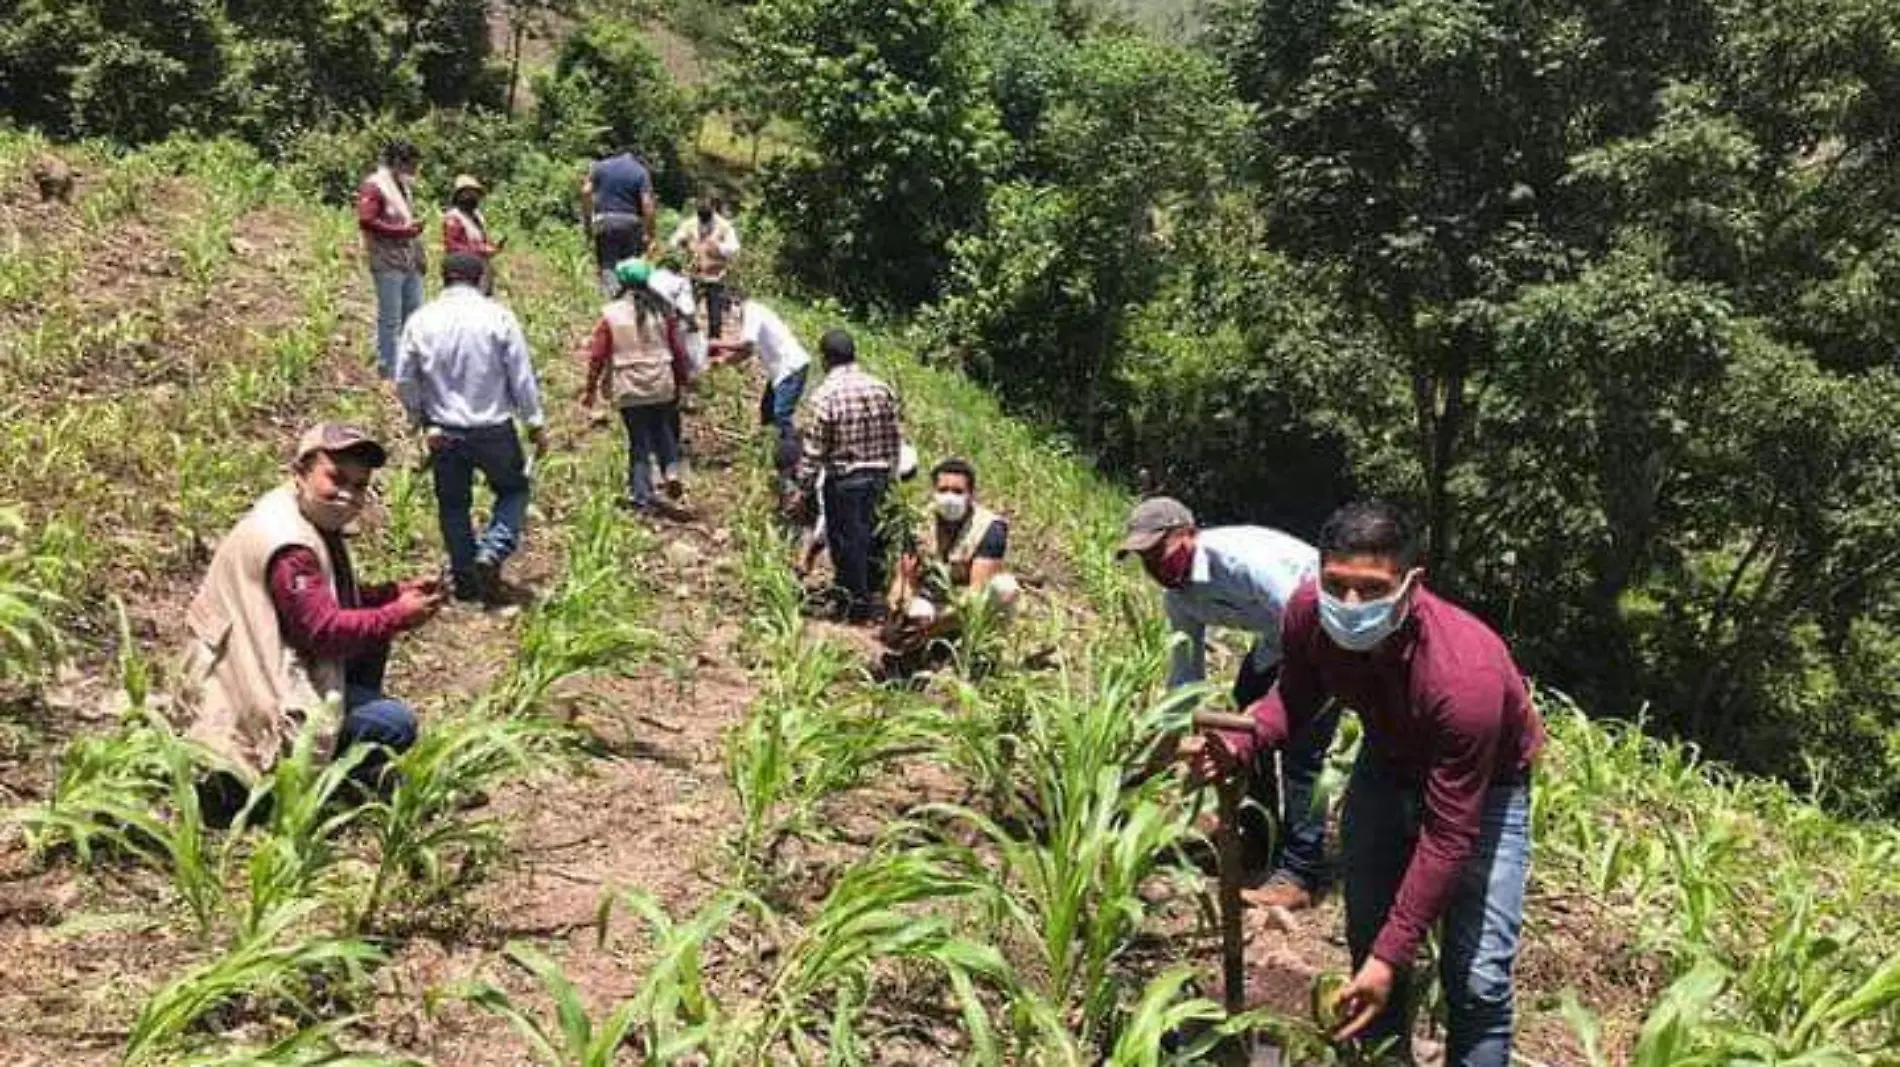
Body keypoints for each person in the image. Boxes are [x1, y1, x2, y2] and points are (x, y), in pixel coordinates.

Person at [1188, 501, 1545, 1067]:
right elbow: (1296, 696)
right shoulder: (1308, 613)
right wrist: (1244, 739)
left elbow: (1449, 837)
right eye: (1337, 584)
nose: (1349, 604)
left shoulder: (1463, 676)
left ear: (1410, 584)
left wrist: (1392, 951)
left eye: (1372, 589)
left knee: (1477, 980)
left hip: (1488, 787)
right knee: (1369, 935)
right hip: (1388, 759)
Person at [183, 424, 444, 825]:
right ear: (301, 471)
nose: (348, 494)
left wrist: (394, 593)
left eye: (359, 486)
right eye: (336, 479)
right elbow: (321, 631)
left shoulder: (294, 513)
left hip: (250, 663)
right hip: (252, 695)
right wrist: (398, 614)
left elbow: (326, 601)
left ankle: (326, 763)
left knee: (373, 636)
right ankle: (302, 791)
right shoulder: (290, 545)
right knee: (397, 725)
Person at [1117, 496, 1336, 908]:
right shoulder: (1179, 598)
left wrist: (1273, 709)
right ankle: (1259, 834)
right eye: (1143, 560)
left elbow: (1305, 629)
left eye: (1158, 553)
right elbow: (1185, 678)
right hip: (1276, 641)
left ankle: (1301, 871)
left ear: (1189, 535)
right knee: (1241, 727)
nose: (1153, 568)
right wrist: (1165, 743)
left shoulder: (1242, 563)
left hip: (1324, 638)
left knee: (1302, 750)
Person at [395, 252, 547, 604]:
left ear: (443, 279)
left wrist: (419, 418)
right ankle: (492, 550)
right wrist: (535, 423)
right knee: (514, 490)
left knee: (453, 504)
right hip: (493, 425)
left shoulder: (421, 319)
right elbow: (520, 375)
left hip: (443, 428)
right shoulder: (498, 317)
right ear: (480, 278)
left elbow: (405, 379)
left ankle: (466, 580)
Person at [795, 329, 901, 622]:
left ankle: (853, 605)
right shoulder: (881, 388)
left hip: (845, 479)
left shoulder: (825, 396)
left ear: (826, 359)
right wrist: (892, 473)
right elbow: (894, 436)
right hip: (880, 474)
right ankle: (876, 595)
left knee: (846, 542)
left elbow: (814, 449)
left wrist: (803, 486)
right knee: (875, 536)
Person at [582, 258, 691, 518]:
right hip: (661, 379)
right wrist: (683, 382)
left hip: (629, 384)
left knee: (638, 440)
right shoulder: (664, 311)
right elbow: (678, 351)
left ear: (621, 282)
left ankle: (642, 497)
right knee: (662, 426)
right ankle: (671, 469)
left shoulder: (611, 313)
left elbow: (597, 355)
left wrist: (590, 389)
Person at [887, 457, 1021, 645]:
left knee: (1004, 588)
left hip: (964, 605)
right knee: (914, 611)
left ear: (971, 494)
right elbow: (904, 577)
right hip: (931, 601)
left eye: (958, 491)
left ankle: (980, 647)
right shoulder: (918, 522)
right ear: (933, 492)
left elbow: (977, 592)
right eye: (943, 490)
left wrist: (935, 627)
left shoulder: (989, 527)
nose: (950, 497)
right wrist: (900, 602)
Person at [707, 294, 811, 457]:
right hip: (781, 370)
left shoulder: (752, 311)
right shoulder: (754, 312)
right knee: (767, 410)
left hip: (790, 368)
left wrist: (715, 343)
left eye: (729, 311)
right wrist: (722, 362)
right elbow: (747, 352)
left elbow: (746, 344)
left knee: (780, 417)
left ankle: (793, 456)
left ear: (735, 303)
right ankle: (769, 450)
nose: (732, 318)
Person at [356, 140, 425, 379]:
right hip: (386, 259)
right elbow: (367, 220)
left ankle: (407, 366)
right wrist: (400, 232)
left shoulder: (402, 186)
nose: (415, 170)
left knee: (414, 314)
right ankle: (387, 368)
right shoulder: (375, 186)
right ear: (398, 162)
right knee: (390, 318)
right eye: (412, 164)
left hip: (408, 259)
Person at [581, 148, 656, 296]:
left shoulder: (598, 167)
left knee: (608, 266)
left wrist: (588, 222)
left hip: (605, 221)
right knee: (629, 268)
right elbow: (647, 205)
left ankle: (611, 302)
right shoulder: (640, 172)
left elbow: (585, 192)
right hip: (631, 224)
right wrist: (649, 234)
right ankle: (627, 305)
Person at [667, 196, 740, 338]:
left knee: (715, 313)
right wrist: (683, 242)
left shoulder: (724, 226)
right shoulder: (689, 224)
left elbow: (734, 247)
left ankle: (714, 343)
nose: (703, 220)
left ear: (713, 211)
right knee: (686, 309)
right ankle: (686, 340)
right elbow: (673, 241)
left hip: (716, 275)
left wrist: (718, 247)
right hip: (693, 274)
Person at [443, 174, 504, 292]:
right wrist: (480, 250)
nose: (473, 196)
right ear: (459, 195)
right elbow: (452, 246)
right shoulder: (453, 217)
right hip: (463, 273)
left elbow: (482, 240)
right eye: (468, 193)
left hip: (481, 270)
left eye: (475, 193)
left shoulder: (477, 217)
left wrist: (492, 247)